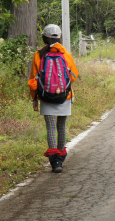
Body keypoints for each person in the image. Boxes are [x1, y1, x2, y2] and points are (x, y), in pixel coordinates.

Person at [28, 24, 79, 173]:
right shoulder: (65, 54)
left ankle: (54, 161)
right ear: (60, 37)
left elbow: (33, 80)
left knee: (50, 127)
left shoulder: (38, 55)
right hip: (64, 96)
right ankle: (61, 158)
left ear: (44, 37)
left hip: (45, 96)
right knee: (61, 126)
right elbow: (74, 76)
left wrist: (34, 99)